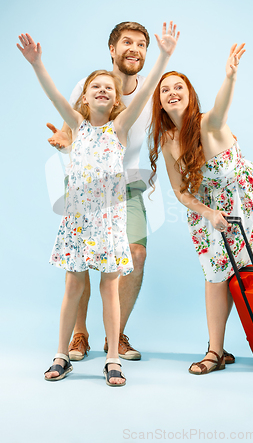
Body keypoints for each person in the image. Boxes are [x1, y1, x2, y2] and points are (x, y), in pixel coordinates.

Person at [17, 22, 179, 386]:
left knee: (109, 287)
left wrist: (166, 55)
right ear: (85, 98)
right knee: (72, 286)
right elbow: (54, 95)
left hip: (110, 221)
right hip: (78, 221)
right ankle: (62, 353)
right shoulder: (77, 123)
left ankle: (112, 357)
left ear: (117, 101)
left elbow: (147, 89)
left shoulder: (119, 128)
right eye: (96, 88)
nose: (103, 90)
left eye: (108, 88)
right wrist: (36, 63)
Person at [148, 43, 253, 374]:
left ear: (190, 95)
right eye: (165, 89)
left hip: (242, 196)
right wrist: (208, 213)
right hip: (210, 207)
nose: (172, 92)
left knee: (222, 273)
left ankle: (215, 353)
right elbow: (179, 191)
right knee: (215, 273)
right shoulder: (168, 140)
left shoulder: (206, 123)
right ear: (159, 101)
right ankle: (217, 351)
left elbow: (221, 109)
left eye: (179, 87)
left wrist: (230, 76)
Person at [47, 22, 153, 362]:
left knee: (133, 256)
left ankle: (115, 335)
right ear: (112, 49)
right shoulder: (90, 84)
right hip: (84, 189)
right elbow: (69, 131)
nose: (134, 48)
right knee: (78, 264)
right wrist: (63, 142)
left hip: (128, 185)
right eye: (126, 42)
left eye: (141, 44)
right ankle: (78, 335)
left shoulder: (151, 93)